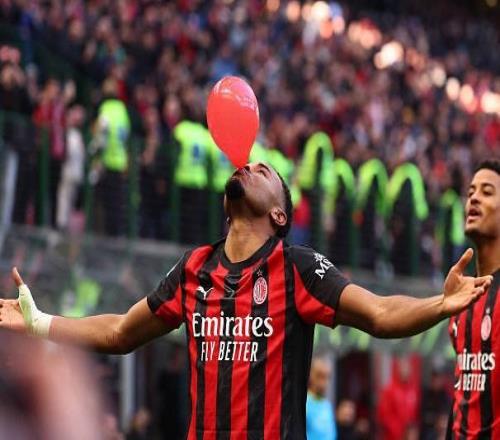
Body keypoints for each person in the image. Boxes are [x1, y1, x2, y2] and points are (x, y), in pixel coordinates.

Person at [0, 162, 492, 439]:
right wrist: (39, 322)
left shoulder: (298, 267)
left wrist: (438, 304)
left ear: (279, 215)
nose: (251, 165)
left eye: (265, 170)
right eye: (250, 166)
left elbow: (380, 314)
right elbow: (119, 332)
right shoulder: (194, 268)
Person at [447, 159, 500, 438]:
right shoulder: (460, 299)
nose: (474, 198)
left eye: (487, 192)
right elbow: (461, 396)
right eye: (470, 193)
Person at [306, 355, 337, 440]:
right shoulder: (303, 405)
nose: (325, 382)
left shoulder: (327, 405)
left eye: (328, 377)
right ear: (310, 375)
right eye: (320, 376)